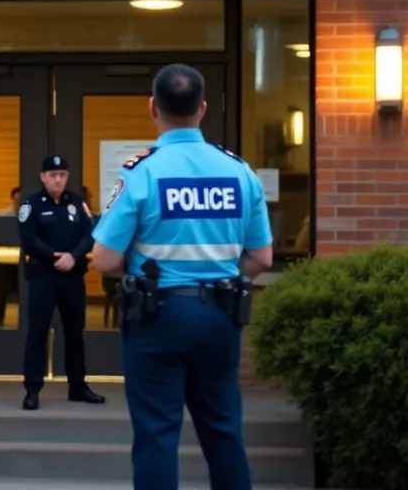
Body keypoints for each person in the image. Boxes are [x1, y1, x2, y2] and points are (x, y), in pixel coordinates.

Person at [90, 63, 274, 490]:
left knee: (156, 435)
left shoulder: (142, 171)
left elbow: (103, 260)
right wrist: (219, 273)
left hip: (157, 317)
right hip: (220, 316)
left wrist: (140, 269)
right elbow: (262, 258)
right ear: (202, 108)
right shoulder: (239, 172)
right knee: (224, 433)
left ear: (153, 108)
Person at [18, 155, 106, 411]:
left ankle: (78, 386)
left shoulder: (77, 202)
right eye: (53, 175)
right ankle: (32, 389)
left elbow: (89, 235)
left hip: (72, 277)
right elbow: (29, 239)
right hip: (43, 276)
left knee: (75, 333)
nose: (58, 180)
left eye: (62, 175)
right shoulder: (31, 204)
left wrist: (73, 256)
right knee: (37, 334)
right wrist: (54, 256)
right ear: (43, 177)